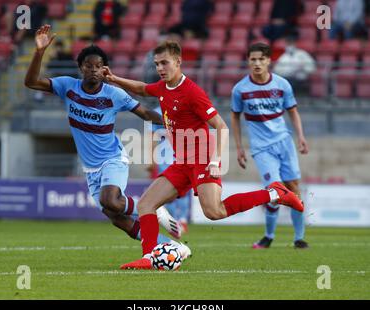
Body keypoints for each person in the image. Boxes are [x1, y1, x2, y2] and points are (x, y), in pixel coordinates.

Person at [103, 40, 305, 270]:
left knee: (214, 211)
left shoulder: (192, 92)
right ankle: (149, 257)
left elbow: (221, 126)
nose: (160, 68)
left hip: (202, 159)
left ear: (178, 62)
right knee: (146, 204)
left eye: (165, 63)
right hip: (182, 163)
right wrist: (114, 79)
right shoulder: (161, 87)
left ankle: (274, 192)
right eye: (157, 64)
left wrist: (217, 160)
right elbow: (140, 88)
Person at [24, 25, 189, 257]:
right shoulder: (67, 87)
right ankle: (171, 247)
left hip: (113, 158)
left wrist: (174, 122)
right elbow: (31, 82)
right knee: (116, 217)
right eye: (89, 66)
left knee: (109, 199)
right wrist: (39, 52)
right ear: (81, 67)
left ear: (104, 69)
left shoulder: (114, 94)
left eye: (98, 66)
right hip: (90, 169)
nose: (93, 70)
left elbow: (144, 113)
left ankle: (152, 208)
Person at [230, 43, 309, 249]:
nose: (257, 63)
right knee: (275, 190)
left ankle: (299, 238)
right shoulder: (240, 89)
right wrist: (239, 147)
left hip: (284, 142)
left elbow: (293, 111)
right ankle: (269, 236)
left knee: (293, 188)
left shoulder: (282, 85)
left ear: (268, 61)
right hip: (261, 148)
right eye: (253, 59)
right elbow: (235, 117)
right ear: (248, 61)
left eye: (261, 59)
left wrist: (300, 136)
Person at [147, 106, 191, 233]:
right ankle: (174, 220)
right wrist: (152, 161)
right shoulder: (155, 112)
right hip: (164, 159)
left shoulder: (183, 107)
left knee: (182, 190)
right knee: (167, 191)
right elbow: (152, 137)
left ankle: (182, 219)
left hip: (182, 157)